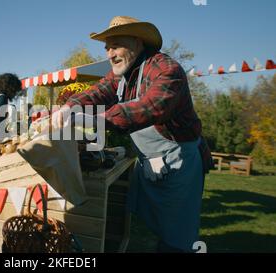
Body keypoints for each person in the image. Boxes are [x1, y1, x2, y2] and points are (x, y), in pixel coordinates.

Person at [53, 16, 212, 252]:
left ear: (137, 42)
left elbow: (150, 107)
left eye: (115, 45)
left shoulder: (168, 69)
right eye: (107, 47)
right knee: (152, 224)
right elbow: (96, 93)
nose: (109, 54)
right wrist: (69, 106)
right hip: (151, 159)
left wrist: (97, 119)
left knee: (178, 237)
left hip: (180, 162)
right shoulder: (119, 74)